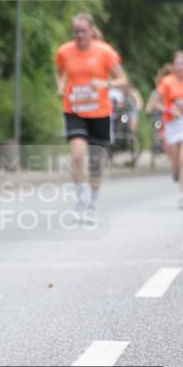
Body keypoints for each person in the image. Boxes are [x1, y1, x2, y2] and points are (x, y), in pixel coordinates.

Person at [54, 12, 127, 222]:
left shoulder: (105, 52)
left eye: (83, 31)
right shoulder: (64, 51)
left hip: (99, 111)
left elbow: (123, 80)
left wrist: (105, 84)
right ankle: (80, 199)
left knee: (95, 162)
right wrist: (61, 86)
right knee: (77, 155)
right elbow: (59, 72)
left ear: (92, 30)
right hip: (74, 108)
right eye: (75, 31)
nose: (79, 35)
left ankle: (93, 202)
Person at [155, 51, 183, 209]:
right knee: (175, 161)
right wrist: (170, 110)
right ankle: (175, 170)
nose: (181, 66)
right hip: (172, 123)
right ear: (173, 66)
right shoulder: (167, 82)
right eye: (178, 63)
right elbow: (155, 103)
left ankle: (181, 195)